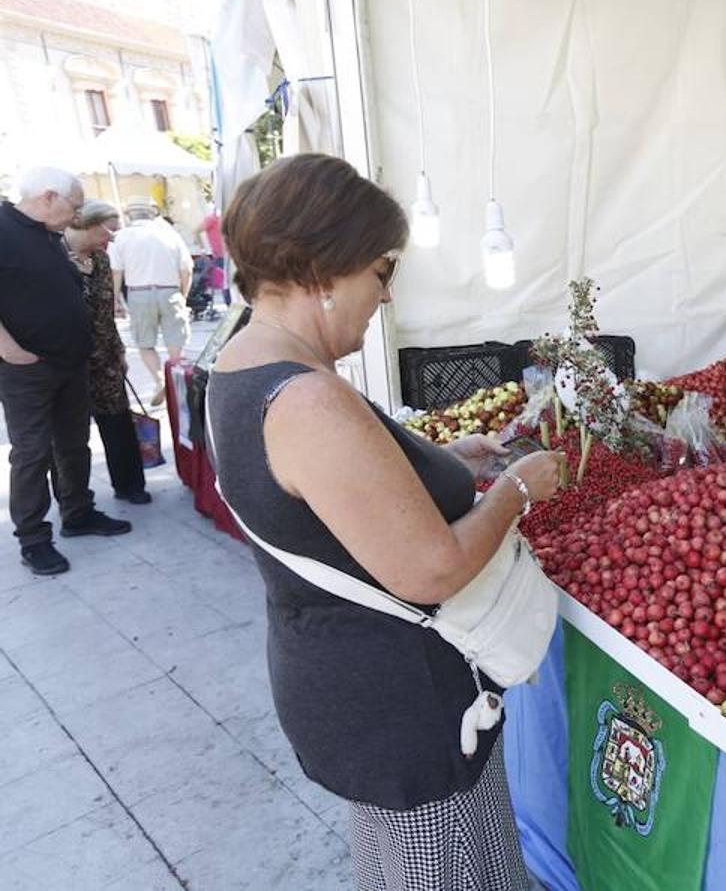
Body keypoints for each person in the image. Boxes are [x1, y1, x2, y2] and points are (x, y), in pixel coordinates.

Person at [207, 153, 563, 890]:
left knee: (405, 866)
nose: (385, 294)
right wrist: (517, 491)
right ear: (320, 271)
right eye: (380, 269)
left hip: (343, 683)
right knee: (445, 870)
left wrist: (443, 460)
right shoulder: (305, 397)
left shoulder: (243, 364)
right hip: (404, 706)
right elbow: (428, 569)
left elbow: (328, 497)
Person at [0, 167, 132, 576]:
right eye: (73, 206)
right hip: (26, 368)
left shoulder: (49, 236)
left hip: (70, 362)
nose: (76, 215)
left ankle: (78, 512)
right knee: (32, 453)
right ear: (49, 196)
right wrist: (7, 348)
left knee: (74, 444)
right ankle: (34, 539)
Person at [64, 201, 152, 505]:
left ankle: (130, 485)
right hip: (68, 362)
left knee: (117, 421)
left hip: (106, 356)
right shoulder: (56, 257)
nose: (113, 238)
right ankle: (72, 502)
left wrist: (119, 350)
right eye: (109, 230)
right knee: (68, 436)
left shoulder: (101, 260)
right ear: (89, 223)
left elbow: (106, 313)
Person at [109, 197, 192, 406]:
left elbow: (116, 272)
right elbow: (186, 269)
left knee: (145, 343)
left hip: (139, 293)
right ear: (153, 213)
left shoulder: (121, 237)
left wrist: (115, 300)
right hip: (170, 291)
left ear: (128, 215)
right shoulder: (169, 235)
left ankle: (159, 380)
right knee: (176, 342)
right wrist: (183, 295)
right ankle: (176, 384)